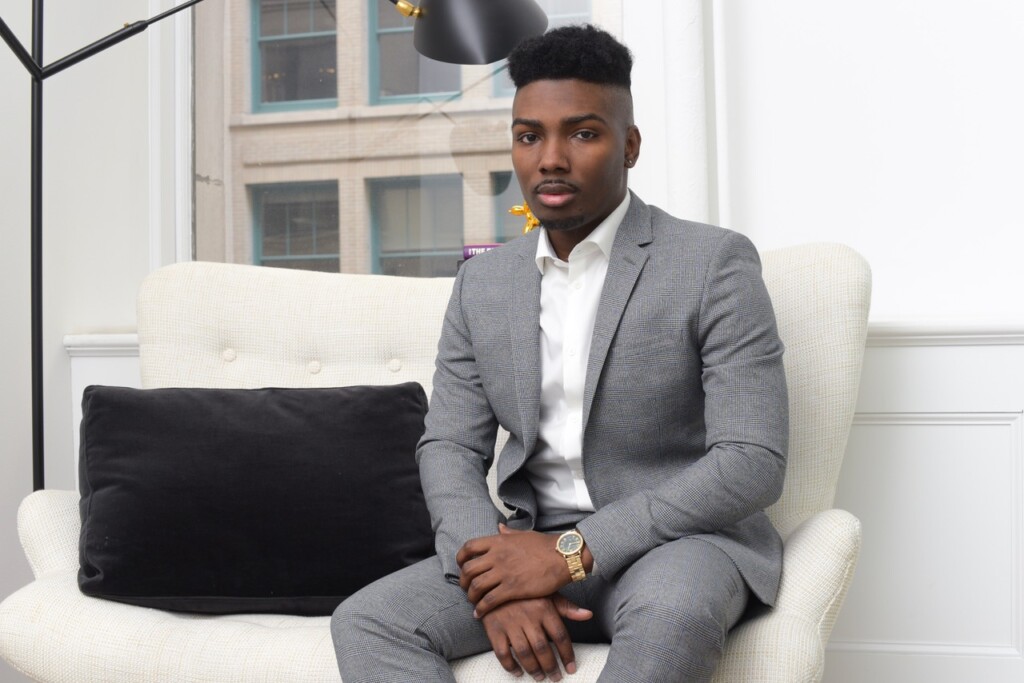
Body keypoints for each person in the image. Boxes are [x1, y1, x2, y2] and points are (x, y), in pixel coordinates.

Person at [332, 24, 788, 683]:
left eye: (582, 134)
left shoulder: (712, 263)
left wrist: (568, 553)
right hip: (526, 542)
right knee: (370, 621)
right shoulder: (483, 283)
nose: (550, 158)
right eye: (529, 136)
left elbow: (751, 460)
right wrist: (493, 578)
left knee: (672, 615)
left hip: (675, 544)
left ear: (629, 145)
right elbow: (450, 447)